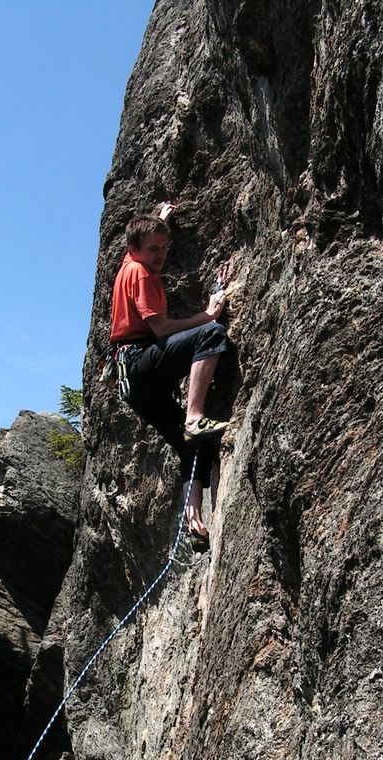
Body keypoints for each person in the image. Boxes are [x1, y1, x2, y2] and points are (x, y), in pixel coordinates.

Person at [109, 204, 231, 543]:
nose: (161, 255)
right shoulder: (142, 273)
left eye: (164, 247)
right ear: (136, 250)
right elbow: (161, 330)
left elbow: (139, 242)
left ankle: (194, 522)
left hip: (131, 381)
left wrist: (160, 221)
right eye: (154, 250)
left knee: (191, 444)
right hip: (138, 360)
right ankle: (195, 414)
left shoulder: (129, 263)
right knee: (211, 335)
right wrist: (208, 314)